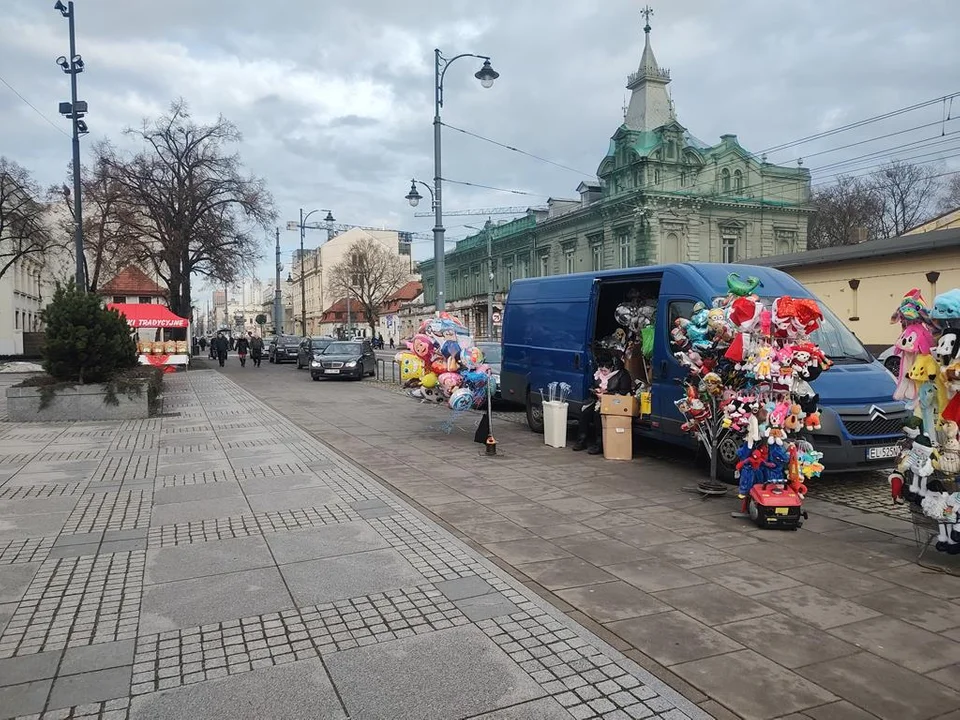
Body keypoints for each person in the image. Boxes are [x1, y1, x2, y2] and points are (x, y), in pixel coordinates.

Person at [572, 350, 633, 454]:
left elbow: (623, 393)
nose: (603, 373)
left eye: (605, 371)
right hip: (598, 399)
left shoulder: (622, 375)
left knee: (598, 415)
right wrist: (596, 391)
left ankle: (599, 443)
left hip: (614, 402)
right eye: (601, 370)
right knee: (584, 411)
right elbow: (594, 386)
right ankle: (581, 440)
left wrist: (606, 394)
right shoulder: (599, 373)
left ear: (612, 367)